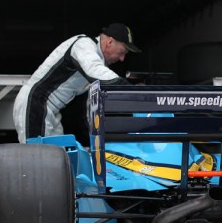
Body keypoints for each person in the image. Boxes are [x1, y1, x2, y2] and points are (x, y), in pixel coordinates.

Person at [13, 23, 141, 143]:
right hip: (35, 103)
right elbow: (96, 71)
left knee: (59, 155)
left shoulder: (95, 63)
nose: (122, 59)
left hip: (52, 110)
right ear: (110, 42)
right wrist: (135, 92)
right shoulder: (84, 44)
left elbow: (91, 107)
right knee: (36, 155)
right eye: (122, 52)